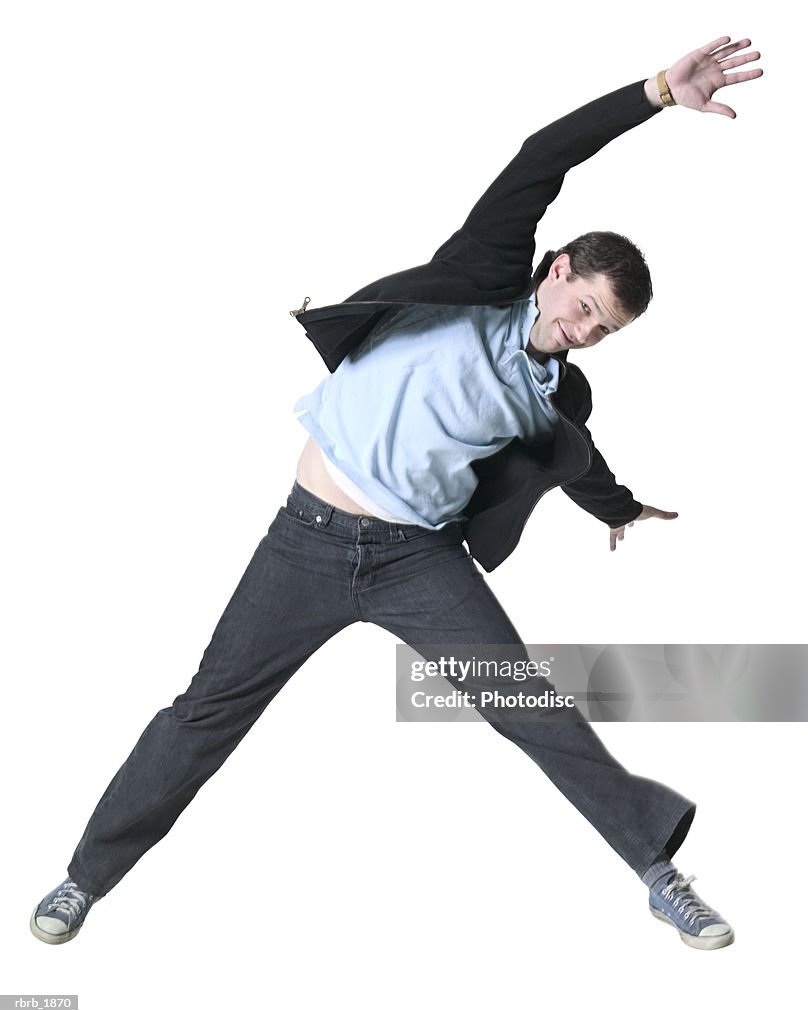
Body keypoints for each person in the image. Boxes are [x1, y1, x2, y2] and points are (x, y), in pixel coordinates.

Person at [31, 36, 762, 950]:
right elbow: (545, 156)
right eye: (581, 307)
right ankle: (82, 880)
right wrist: (655, 94)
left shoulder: (556, 396)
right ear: (555, 271)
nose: (580, 332)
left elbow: (584, 461)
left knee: (529, 706)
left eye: (601, 331)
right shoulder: (484, 276)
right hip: (304, 541)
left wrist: (624, 511)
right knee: (207, 712)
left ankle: (660, 875)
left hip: (417, 561)